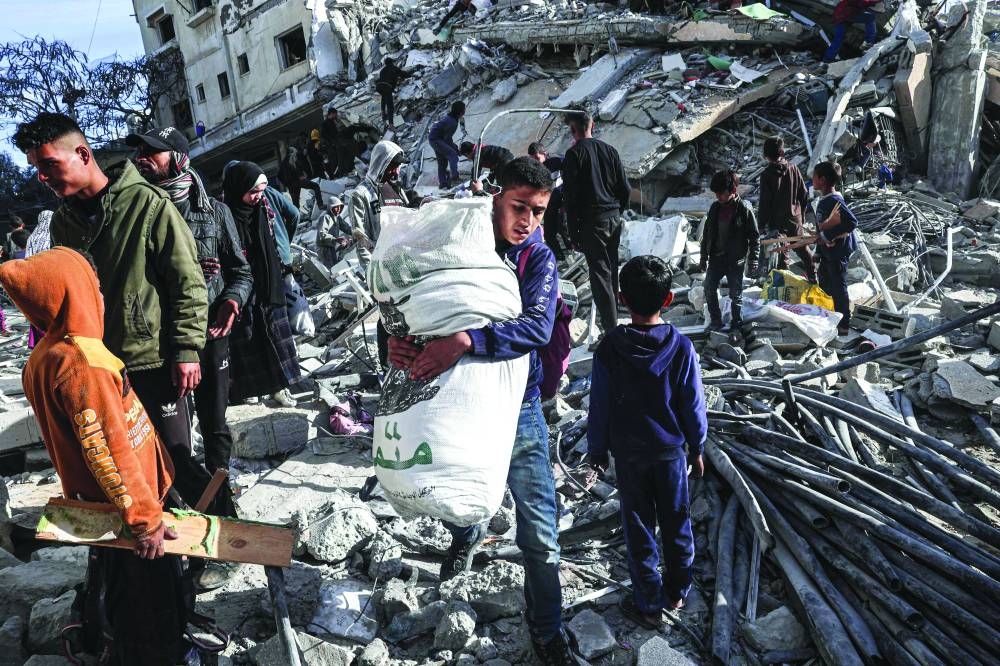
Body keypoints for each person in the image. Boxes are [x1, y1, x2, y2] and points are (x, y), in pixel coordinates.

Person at [387, 158, 586, 665]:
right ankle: (467, 533)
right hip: (456, 401)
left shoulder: (537, 260)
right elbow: (412, 304)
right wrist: (398, 342)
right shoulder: (458, 247)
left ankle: (546, 630)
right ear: (497, 198)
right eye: (520, 208)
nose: (528, 222)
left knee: (539, 531)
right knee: (459, 484)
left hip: (517, 411)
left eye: (538, 212)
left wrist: (466, 340)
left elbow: (538, 328)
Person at [14, 112, 211, 508]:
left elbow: (187, 283)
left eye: (50, 164)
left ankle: (228, 539)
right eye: (37, 169)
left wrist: (187, 350)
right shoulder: (63, 224)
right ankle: (162, 560)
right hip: (100, 368)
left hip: (151, 360)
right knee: (132, 468)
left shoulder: (147, 204)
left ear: (83, 154)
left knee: (177, 459)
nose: (44, 177)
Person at [1, 247, 187, 664]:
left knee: (118, 592)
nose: (100, 296)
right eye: (94, 286)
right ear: (73, 293)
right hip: (126, 514)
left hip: (101, 505)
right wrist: (144, 520)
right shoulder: (82, 363)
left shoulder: (46, 354)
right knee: (147, 610)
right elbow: (108, 449)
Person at [129, 127, 252, 578]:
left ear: (178, 159)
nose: (141, 159)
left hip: (211, 338)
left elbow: (242, 271)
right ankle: (188, 519)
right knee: (173, 444)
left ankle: (223, 516)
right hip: (163, 349)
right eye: (139, 152)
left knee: (215, 428)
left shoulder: (215, 212)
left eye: (151, 153)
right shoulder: (138, 211)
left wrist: (232, 300)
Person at [587, 254, 706, 628]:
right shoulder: (681, 347)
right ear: (668, 299)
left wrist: (597, 451)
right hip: (670, 453)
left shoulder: (609, 348)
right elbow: (692, 403)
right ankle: (678, 590)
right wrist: (697, 446)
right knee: (676, 521)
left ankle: (648, 603)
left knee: (638, 527)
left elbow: (599, 405)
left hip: (629, 454)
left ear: (622, 299)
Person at [222, 162, 303, 404]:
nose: (258, 197)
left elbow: (290, 219)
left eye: (261, 191)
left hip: (268, 283)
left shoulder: (262, 208)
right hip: (241, 287)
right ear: (239, 187)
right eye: (253, 192)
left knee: (276, 334)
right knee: (248, 336)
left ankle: (280, 388)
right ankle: (250, 391)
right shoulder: (225, 213)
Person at [562, 110, 631, 340]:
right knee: (611, 271)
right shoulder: (610, 151)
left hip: (593, 223)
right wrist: (617, 211)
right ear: (592, 125)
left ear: (573, 130)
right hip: (613, 218)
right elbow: (626, 189)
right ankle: (613, 323)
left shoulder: (574, 155)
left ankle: (611, 331)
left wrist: (573, 234)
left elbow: (570, 200)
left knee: (600, 275)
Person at [346, 140, 409, 369]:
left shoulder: (396, 187)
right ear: (381, 163)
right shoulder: (361, 194)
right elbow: (359, 236)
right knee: (388, 318)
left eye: (397, 166)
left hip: (403, 261)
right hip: (380, 265)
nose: (395, 170)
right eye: (392, 165)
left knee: (408, 313)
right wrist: (369, 272)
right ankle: (387, 365)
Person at [700, 170, 759, 333]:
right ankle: (716, 321)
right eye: (716, 193)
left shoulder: (744, 209)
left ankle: (736, 325)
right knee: (709, 289)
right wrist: (703, 257)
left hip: (735, 261)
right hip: (716, 259)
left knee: (735, 295)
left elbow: (755, 238)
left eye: (721, 193)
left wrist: (753, 260)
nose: (718, 197)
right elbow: (707, 235)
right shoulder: (715, 209)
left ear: (733, 191)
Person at [757, 136, 816, 283]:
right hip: (794, 218)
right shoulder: (793, 168)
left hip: (777, 222)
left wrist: (760, 225)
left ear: (766, 155)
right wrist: (800, 215)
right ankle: (814, 278)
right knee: (803, 250)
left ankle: (783, 286)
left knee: (781, 254)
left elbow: (765, 202)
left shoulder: (766, 175)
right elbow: (804, 194)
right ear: (782, 152)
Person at [812, 161, 859, 335]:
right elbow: (821, 227)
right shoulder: (824, 200)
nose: (812, 180)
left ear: (822, 180)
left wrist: (827, 237)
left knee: (838, 288)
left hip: (837, 253)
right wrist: (818, 251)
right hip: (827, 252)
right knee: (825, 285)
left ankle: (843, 324)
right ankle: (828, 319)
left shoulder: (834, 200)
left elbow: (851, 222)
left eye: (814, 177)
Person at [528, 142, 569, 260]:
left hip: (562, 199)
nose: (536, 162)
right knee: (549, 234)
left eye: (537, 158)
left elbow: (572, 176)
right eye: (533, 159)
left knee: (564, 226)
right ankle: (559, 258)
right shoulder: (535, 170)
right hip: (548, 204)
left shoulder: (557, 162)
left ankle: (574, 251)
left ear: (545, 154)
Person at [25, 209, 53, 347]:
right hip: (49, 280)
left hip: (32, 280)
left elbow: (27, 258)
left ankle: (38, 344)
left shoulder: (31, 237)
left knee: (37, 312)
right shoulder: (54, 234)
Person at [428, 101, 466, 189]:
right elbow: (447, 140)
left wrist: (453, 146)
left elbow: (447, 139)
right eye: (464, 109)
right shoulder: (452, 123)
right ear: (461, 112)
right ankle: (455, 178)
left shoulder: (451, 118)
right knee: (453, 155)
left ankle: (443, 183)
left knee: (442, 162)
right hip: (436, 140)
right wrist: (455, 148)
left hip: (433, 139)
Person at [376, 57, 416, 129]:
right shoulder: (394, 68)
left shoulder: (382, 70)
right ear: (391, 62)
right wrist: (411, 75)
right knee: (390, 105)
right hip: (387, 87)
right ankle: (391, 124)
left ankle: (383, 112)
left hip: (378, 86)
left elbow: (386, 77)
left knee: (384, 96)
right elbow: (403, 74)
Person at [317, 196, 353, 268]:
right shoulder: (325, 217)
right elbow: (322, 234)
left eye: (340, 207)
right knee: (329, 270)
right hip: (324, 248)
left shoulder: (337, 217)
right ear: (330, 207)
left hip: (332, 246)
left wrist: (356, 232)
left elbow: (346, 228)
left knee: (335, 267)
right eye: (336, 207)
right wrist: (335, 239)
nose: (339, 209)